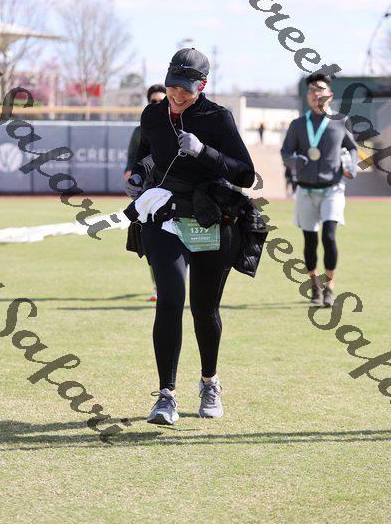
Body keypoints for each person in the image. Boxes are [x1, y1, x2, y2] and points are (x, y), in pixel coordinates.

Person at [124, 47, 259, 425]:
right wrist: (138, 175)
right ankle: (165, 396)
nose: (177, 95)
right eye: (172, 87)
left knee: (204, 309)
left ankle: (209, 382)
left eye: (185, 89)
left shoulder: (218, 117)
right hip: (165, 218)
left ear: (203, 85)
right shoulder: (152, 114)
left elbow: (245, 174)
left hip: (213, 220)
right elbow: (146, 155)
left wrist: (204, 152)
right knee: (169, 300)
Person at [281, 73, 358, 307]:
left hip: (333, 189)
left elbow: (352, 148)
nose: (316, 93)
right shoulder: (297, 124)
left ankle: (329, 286)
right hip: (305, 191)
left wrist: (351, 165)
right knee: (310, 241)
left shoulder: (341, 121)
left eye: (320, 89)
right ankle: (314, 282)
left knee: (329, 236)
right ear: (307, 96)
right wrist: (294, 161)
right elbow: (285, 153)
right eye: (312, 90)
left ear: (329, 94)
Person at [124, 84, 166, 302]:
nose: (158, 105)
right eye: (153, 102)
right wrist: (130, 174)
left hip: (171, 192)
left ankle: (176, 278)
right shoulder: (140, 130)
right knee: (151, 243)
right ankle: (158, 287)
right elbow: (133, 156)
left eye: (162, 101)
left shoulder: (177, 126)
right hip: (147, 194)